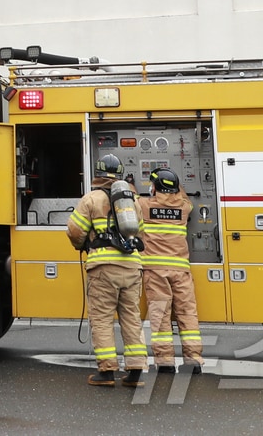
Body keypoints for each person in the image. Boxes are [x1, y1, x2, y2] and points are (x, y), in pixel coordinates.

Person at [66, 153, 148, 387]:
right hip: (132, 266)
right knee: (131, 318)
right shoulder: (133, 200)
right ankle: (135, 371)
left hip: (103, 268)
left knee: (102, 319)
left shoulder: (91, 199)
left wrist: (83, 244)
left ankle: (107, 371)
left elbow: (74, 231)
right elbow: (140, 233)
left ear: (98, 173)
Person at [136, 166, 203, 374]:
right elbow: (186, 199)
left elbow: (129, 200)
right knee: (187, 314)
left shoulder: (144, 205)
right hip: (181, 270)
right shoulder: (184, 208)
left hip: (155, 271)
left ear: (154, 187)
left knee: (161, 315)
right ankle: (193, 361)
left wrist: (129, 183)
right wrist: (176, 185)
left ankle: (165, 362)